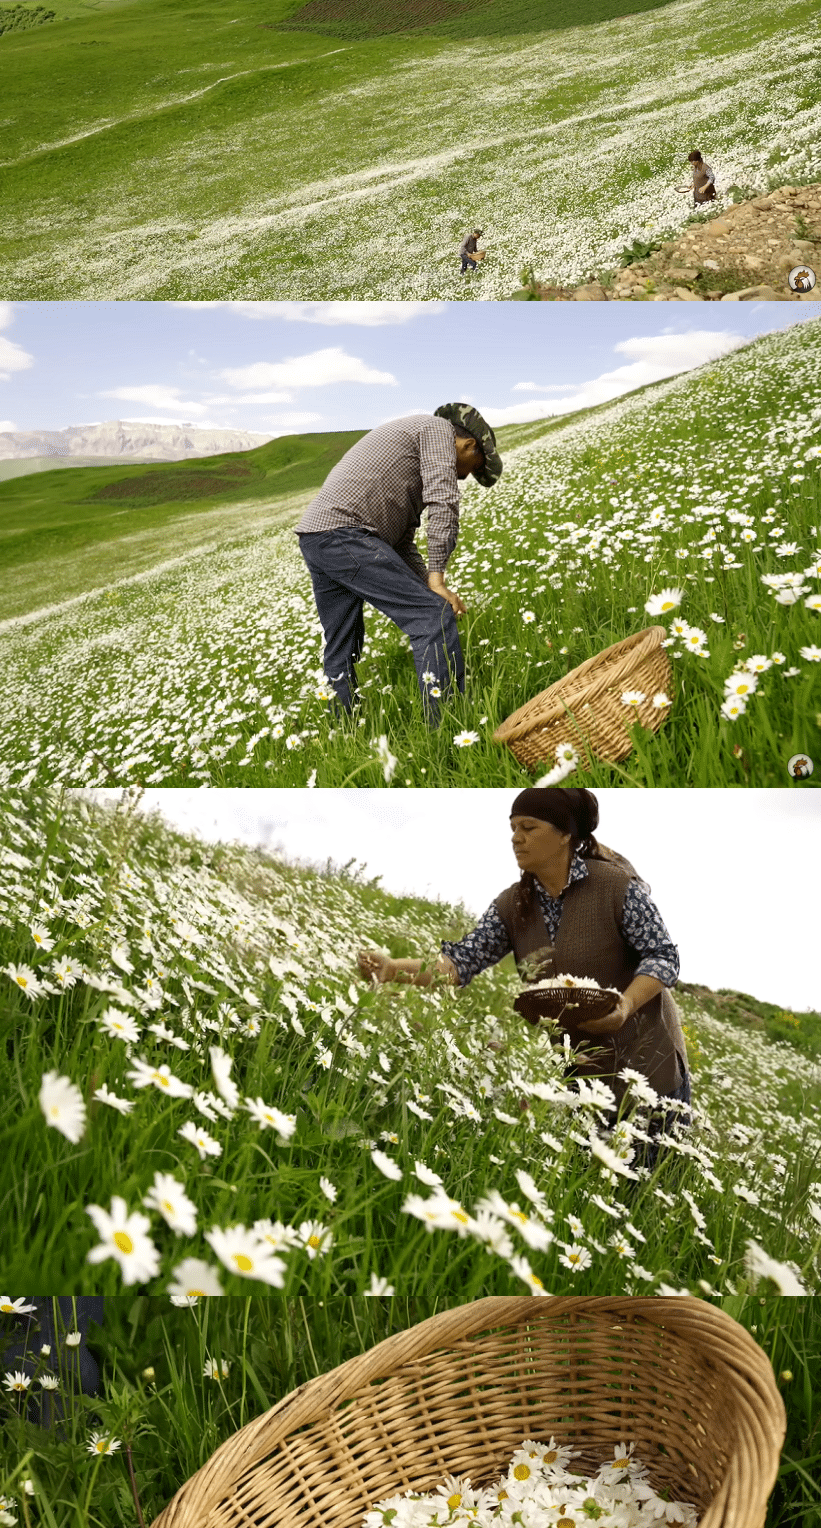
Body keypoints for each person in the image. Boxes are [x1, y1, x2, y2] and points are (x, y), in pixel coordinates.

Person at [358, 788, 691, 1158]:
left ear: (565, 834)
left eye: (529, 827)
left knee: (648, 1192)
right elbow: (455, 966)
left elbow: (663, 956)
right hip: (580, 1082)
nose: (516, 837)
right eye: (513, 827)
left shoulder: (615, 887)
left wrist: (625, 1006)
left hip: (650, 1075)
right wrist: (390, 969)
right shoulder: (512, 905)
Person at [296, 404, 502, 723]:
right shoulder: (436, 430)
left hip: (317, 537)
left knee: (341, 643)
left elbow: (400, 542)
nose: (465, 477)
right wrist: (436, 583)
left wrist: (428, 587)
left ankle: (343, 729)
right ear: (468, 445)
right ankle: (446, 726)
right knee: (432, 618)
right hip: (345, 534)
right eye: (474, 468)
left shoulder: (411, 450)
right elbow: (443, 501)